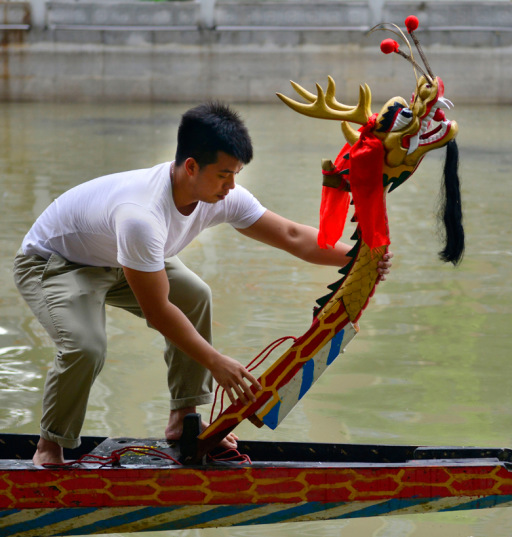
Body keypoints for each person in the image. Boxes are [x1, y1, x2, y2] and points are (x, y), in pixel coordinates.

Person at [13, 102, 392, 466]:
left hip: (119, 256)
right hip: (57, 264)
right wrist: (216, 362)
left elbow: (293, 236)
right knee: (86, 347)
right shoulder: (142, 216)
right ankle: (51, 447)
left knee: (196, 295)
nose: (230, 186)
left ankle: (183, 418)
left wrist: (359, 258)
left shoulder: (219, 194)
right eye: (224, 174)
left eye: (235, 175)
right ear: (191, 167)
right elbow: (158, 311)